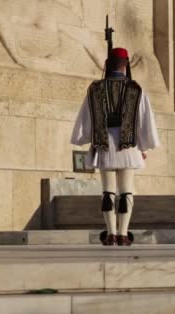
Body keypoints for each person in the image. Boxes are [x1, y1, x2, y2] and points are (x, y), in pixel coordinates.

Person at [70, 47, 160, 246]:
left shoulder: (95, 89)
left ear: (108, 65)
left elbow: (86, 119)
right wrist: (144, 147)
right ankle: (123, 234)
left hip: (104, 147)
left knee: (108, 192)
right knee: (126, 191)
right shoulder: (136, 89)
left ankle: (110, 233)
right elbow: (144, 121)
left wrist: (85, 139)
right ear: (126, 64)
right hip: (128, 148)